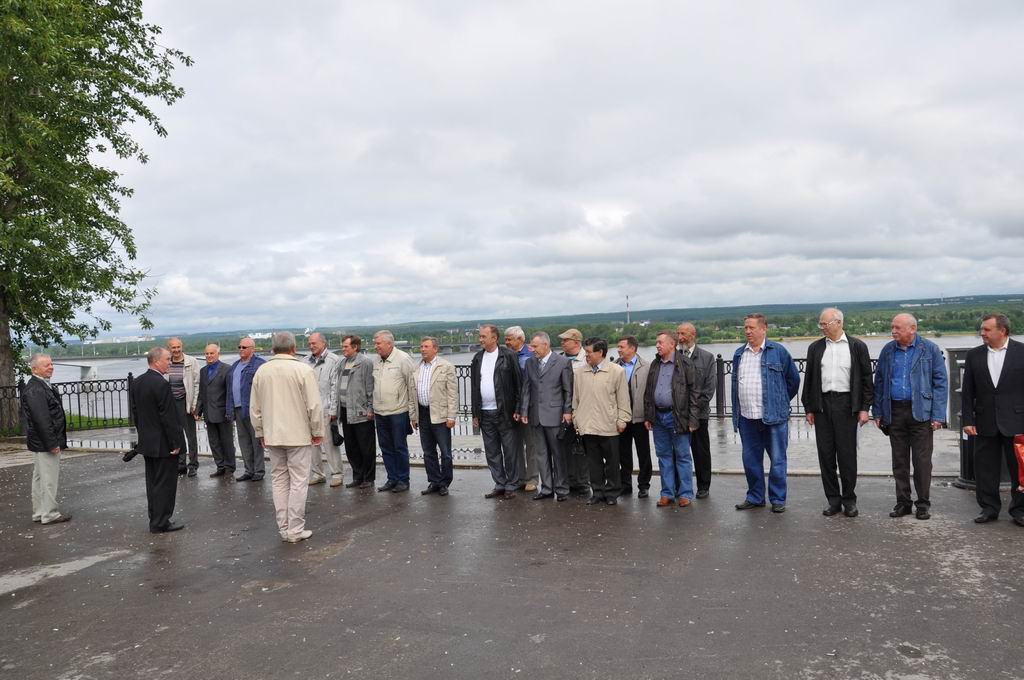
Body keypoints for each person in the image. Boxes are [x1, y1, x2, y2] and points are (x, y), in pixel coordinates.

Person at [249, 331, 324, 544]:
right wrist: (317, 431)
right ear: (294, 348)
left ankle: (284, 528)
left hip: (273, 434)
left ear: (273, 349)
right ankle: (295, 529)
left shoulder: (262, 371)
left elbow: (255, 409)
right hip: (298, 434)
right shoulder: (303, 370)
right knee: (298, 482)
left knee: (279, 481)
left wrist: (260, 431)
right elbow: (314, 406)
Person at [872, 313, 948, 520]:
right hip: (895, 411)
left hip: (921, 412)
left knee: (922, 461)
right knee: (899, 460)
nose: (893, 331)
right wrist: (877, 411)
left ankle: (922, 504)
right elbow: (879, 382)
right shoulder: (888, 350)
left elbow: (940, 383)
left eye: (897, 327)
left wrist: (938, 415)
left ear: (912, 329)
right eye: (892, 327)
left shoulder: (929, 349)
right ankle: (903, 503)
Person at [801, 308, 873, 517]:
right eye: (821, 324)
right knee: (826, 455)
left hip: (846, 404)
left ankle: (849, 500)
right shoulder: (815, 348)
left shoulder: (857, 346)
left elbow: (867, 380)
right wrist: (809, 408)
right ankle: (833, 500)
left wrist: (864, 408)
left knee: (847, 455)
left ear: (839, 322)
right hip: (822, 404)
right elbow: (809, 379)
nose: (822, 327)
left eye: (825, 324)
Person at [731, 314, 801, 513]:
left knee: (777, 459)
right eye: (745, 327)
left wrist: (779, 401)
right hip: (747, 417)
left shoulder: (778, 352)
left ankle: (777, 499)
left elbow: (793, 381)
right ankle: (755, 497)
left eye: (751, 328)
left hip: (774, 418)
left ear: (763, 329)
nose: (747, 331)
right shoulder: (739, 354)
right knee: (750, 461)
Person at [960, 314, 1024, 526]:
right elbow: (967, 392)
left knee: (1020, 469)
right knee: (985, 469)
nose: (982, 333)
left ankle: (1020, 510)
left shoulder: (1021, 352)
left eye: (987, 329)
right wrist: (967, 420)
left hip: (1017, 421)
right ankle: (988, 508)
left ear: (1002, 331)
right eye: (982, 329)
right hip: (984, 421)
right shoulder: (974, 355)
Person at [131, 347, 186, 533]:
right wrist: (176, 443)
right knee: (165, 484)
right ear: (156, 361)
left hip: (148, 442)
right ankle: (161, 521)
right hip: (163, 444)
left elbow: (136, 414)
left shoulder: (137, 382)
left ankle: (155, 518)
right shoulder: (161, 384)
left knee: (153, 482)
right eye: (167, 359)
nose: (170, 363)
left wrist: (144, 435)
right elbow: (168, 416)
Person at [643, 330, 700, 508]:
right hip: (658, 417)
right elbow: (648, 391)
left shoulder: (685, 363)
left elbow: (695, 393)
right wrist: (648, 415)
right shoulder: (655, 364)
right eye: (656, 342)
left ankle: (685, 493)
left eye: (660, 342)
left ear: (672, 344)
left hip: (678, 416)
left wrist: (693, 420)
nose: (657, 346)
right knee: (663, 456)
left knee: (683, 456)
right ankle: (667, 493)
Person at [572, 338, 631, 505]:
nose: (586, 355)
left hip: (609, 425)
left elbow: (623, 399)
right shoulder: (580, 373)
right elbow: (576, 399)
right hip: (587, 425)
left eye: (589, 352)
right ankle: (597, 492)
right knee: (593, 462)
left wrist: (622, 420)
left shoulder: (617, 371)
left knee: (612, 463)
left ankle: (611, 493)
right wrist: (576, 418)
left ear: (600, 352)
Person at [518, 332, 574, 501]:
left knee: (558, 454)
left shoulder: (562, 362)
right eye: (531, 346)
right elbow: (526, 388)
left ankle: (562, 489)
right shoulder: (530, 363)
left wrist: (567, 411)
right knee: (541, 454)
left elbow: (568, 390)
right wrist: (524, 411)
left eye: (535, 346)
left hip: (555, 416)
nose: (532, 349)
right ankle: (547, 488)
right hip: (535, 415)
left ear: (546, 345)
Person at [471, 324, 522, 499]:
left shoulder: (508, 356)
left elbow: (518, 384)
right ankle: (499, 483)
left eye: (483, 336)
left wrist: (518, 408)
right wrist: (475, 413)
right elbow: (474, 387)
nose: (480, 339)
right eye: (480, 336)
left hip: (505, 412)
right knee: (492, 452)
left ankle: (511, 485)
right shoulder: (478, 358)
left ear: (494, 338)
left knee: (510, 451)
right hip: (485, 413)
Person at [21, 353, 71, 524]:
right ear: (35, 369)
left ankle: (40, 512)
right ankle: (49, 514)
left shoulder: (39, 385)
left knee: (40, 478)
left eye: (51, 364)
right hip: (45, 442)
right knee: (48, 479)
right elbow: (41, 419)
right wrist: (52, 443)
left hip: (41, 441)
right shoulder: (36, 389)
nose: (51, 367)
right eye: (46, 365)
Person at [372, 330, 416, 493]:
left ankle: (403, 480)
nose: (376, 346)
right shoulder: (376, 360)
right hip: (380, 412)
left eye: (378, 343)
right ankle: (392, 478)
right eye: (375, 343)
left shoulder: (403, 359)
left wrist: (413, 413)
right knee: (385, 448)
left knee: (399, 447)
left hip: (398, 412)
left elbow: (412, 386)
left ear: (389, 343)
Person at [676, 323, 717, 498]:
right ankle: (679, 487)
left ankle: (703, 486)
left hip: (699, 414)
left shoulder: (707, 358)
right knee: (678, 452)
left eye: (683, 334)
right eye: (678, 334)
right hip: (677, 415)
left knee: (700, 451)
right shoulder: (674, 357)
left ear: (693, 335)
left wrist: (693, 408)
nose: (680, 337)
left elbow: (709, 389)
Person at [414, 336, 458, 496]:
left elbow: (452, 394)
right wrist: (413, 416)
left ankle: (444, 483)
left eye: (426, 346)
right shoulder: (416, 368)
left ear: (435, 349)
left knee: (445, 452)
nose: (422, 349)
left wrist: (451, 416)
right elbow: (412, 394)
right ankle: (434, 481)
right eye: (421, 346)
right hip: (423, 414)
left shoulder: (446, 367)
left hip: (440, 415)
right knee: (428, 452)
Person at [336, 334, 376, 489]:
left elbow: (370, 387)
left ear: (355, 347)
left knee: (366, 447)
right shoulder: (342, 363)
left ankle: (368, 478)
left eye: (346, 346)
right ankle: (357, 476)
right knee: (351, 447)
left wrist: (370, 408)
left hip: (361, 412)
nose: (343, 349)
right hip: (345, 411)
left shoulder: (365, 363)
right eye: (343, 346)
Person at [615, 335, 652, 497]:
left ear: (632, 348)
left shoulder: (646, 367)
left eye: (621, 347)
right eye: (618, 347)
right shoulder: (614, 366)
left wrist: (649, 416)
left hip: (640, 417)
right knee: (623, 453)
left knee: (643, 452)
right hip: (621, 418)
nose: (618, 350)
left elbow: (650, 394)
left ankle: (644, 485)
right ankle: (625, 484)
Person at [305, 332, 343, 487]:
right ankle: (317, 473)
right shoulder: (305, 361)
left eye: (314, 343)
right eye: (309, 343)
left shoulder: (334, 360)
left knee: (329, 444)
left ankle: (337, 474)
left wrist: (333, 410)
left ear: (323, 343)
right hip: (309, 410)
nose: (311, 346)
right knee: (313, 444)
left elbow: (335, 386)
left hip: (326, 409)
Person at [226, 336, 266, 482]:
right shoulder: (234, 366)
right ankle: (249, 470)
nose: (241, 349)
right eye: (239, 347)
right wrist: (229, 410)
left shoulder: (260, 365)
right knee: (244, 441)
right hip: (238, 409)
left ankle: (259, 471)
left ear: (252, 349)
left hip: (253, 409)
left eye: (244, 347)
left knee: (256, 441)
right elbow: (230, 389)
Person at [558, 328, 591, 496]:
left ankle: (584, 482)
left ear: (577, 342)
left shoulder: (588, 358)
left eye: (566, 340)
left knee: (583, 448)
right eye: (562, 340)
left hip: (584, 410)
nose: (562, 343)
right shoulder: (558, 359)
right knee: (566, 447)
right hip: (563, 410)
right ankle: (569, 481)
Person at [505, 325, 537, 493]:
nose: (506, 342)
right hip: (510, 407)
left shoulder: (531, 355)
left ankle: (532, 478)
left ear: (520, 339)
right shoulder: (504, 355)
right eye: (505, 339)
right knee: (514, 444)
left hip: (528, 406)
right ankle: (520, 477)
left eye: (509, 339)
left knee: (530, 444)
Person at [196, 343, 235, 478]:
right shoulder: (203, 371)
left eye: (211, 353)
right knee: (214, 442)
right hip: (208, 413)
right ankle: (220, 466)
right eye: (207, 353)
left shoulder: (227, 369)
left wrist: (229, 411)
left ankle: (230, 467)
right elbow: (202, 393)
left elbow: (230, 392)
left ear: (218, 354)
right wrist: (198, 410)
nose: (209, 356)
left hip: (223, 413)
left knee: (227, 442)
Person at [165, 338, 200, 477]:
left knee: (190, 436)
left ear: (182, 347)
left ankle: (193, 464)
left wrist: (194, 404)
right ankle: (181, 464)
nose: (176, 350)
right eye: (173, 347)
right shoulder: (167, 362)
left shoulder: (191, 361)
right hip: (171, 404)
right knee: (177, 434)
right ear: (169, 348)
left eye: (178, 347)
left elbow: (197, 384)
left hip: (186, 402)